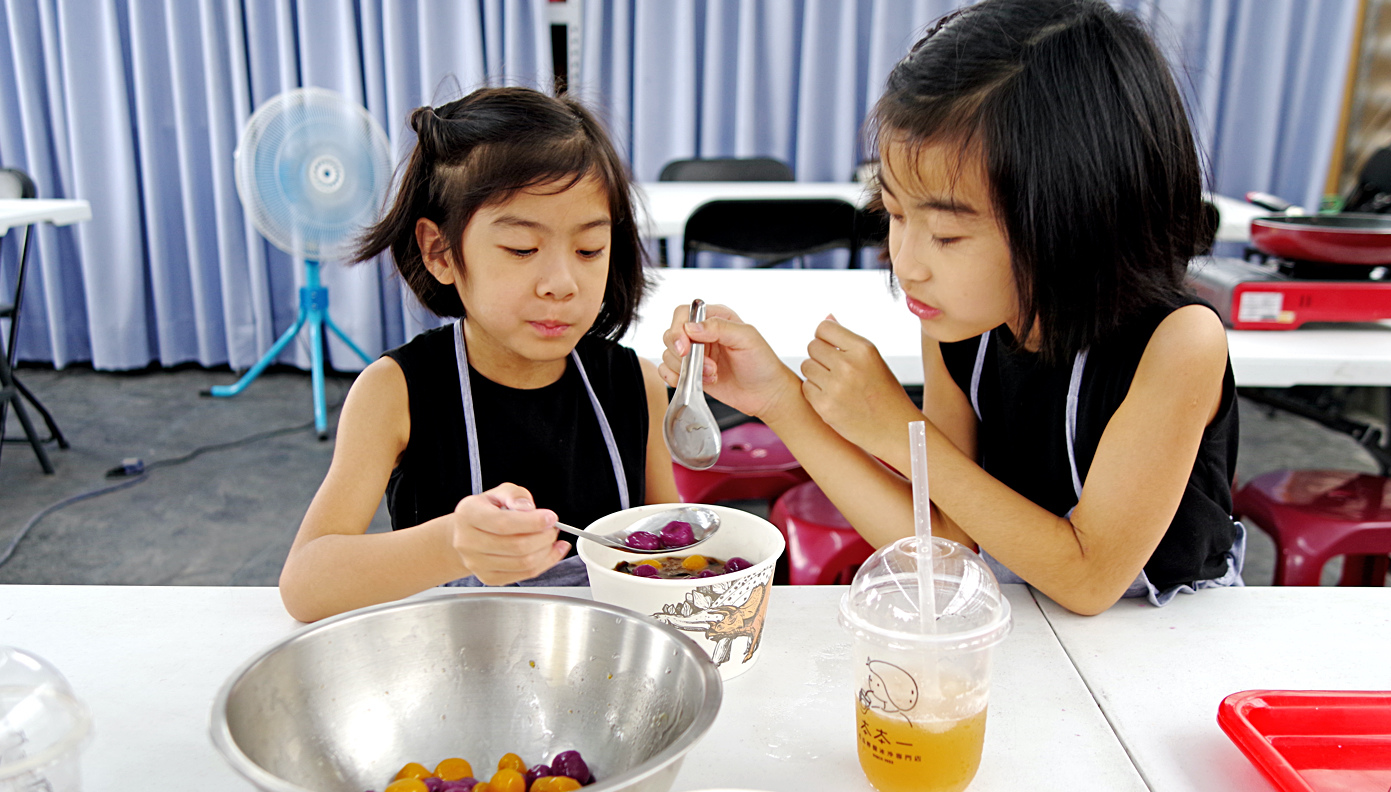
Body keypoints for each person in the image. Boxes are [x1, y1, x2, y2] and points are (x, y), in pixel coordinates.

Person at [660, 0, 1241, 616]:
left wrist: (898, 429)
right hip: (1023, 620)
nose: (907, 262)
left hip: (1168, 636)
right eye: (895, 215)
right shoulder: (963, 324)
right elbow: (943, 546)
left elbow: (1089, 579)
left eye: (947, 235)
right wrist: (780, 399)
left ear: (1075, 219)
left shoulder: (1178, 342)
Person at [280, 87, 677, 623]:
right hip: (455, 667)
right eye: (521, 249)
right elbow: (306, 584)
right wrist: (452, 544)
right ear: (440, 251)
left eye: (589, 250)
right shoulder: (396, 391)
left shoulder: (636, 384)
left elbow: (667, 547)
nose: (562, 283)